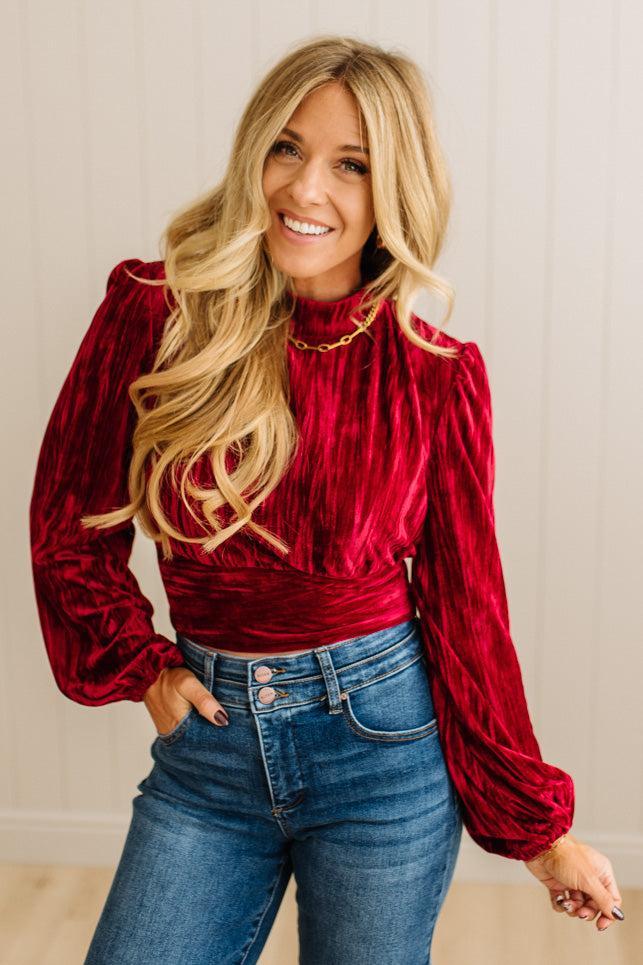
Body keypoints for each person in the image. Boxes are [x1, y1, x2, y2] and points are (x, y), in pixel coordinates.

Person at [29, 35, 624, 965]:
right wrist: (144, 668)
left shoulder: (435, 375)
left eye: (352, 165)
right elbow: (67, 523)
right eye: (287, 148)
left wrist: (538, 830)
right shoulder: (153, 312)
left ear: (395, 191)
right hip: (209, 753)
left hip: (383, 750)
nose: (307, 190)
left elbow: (469, 615)